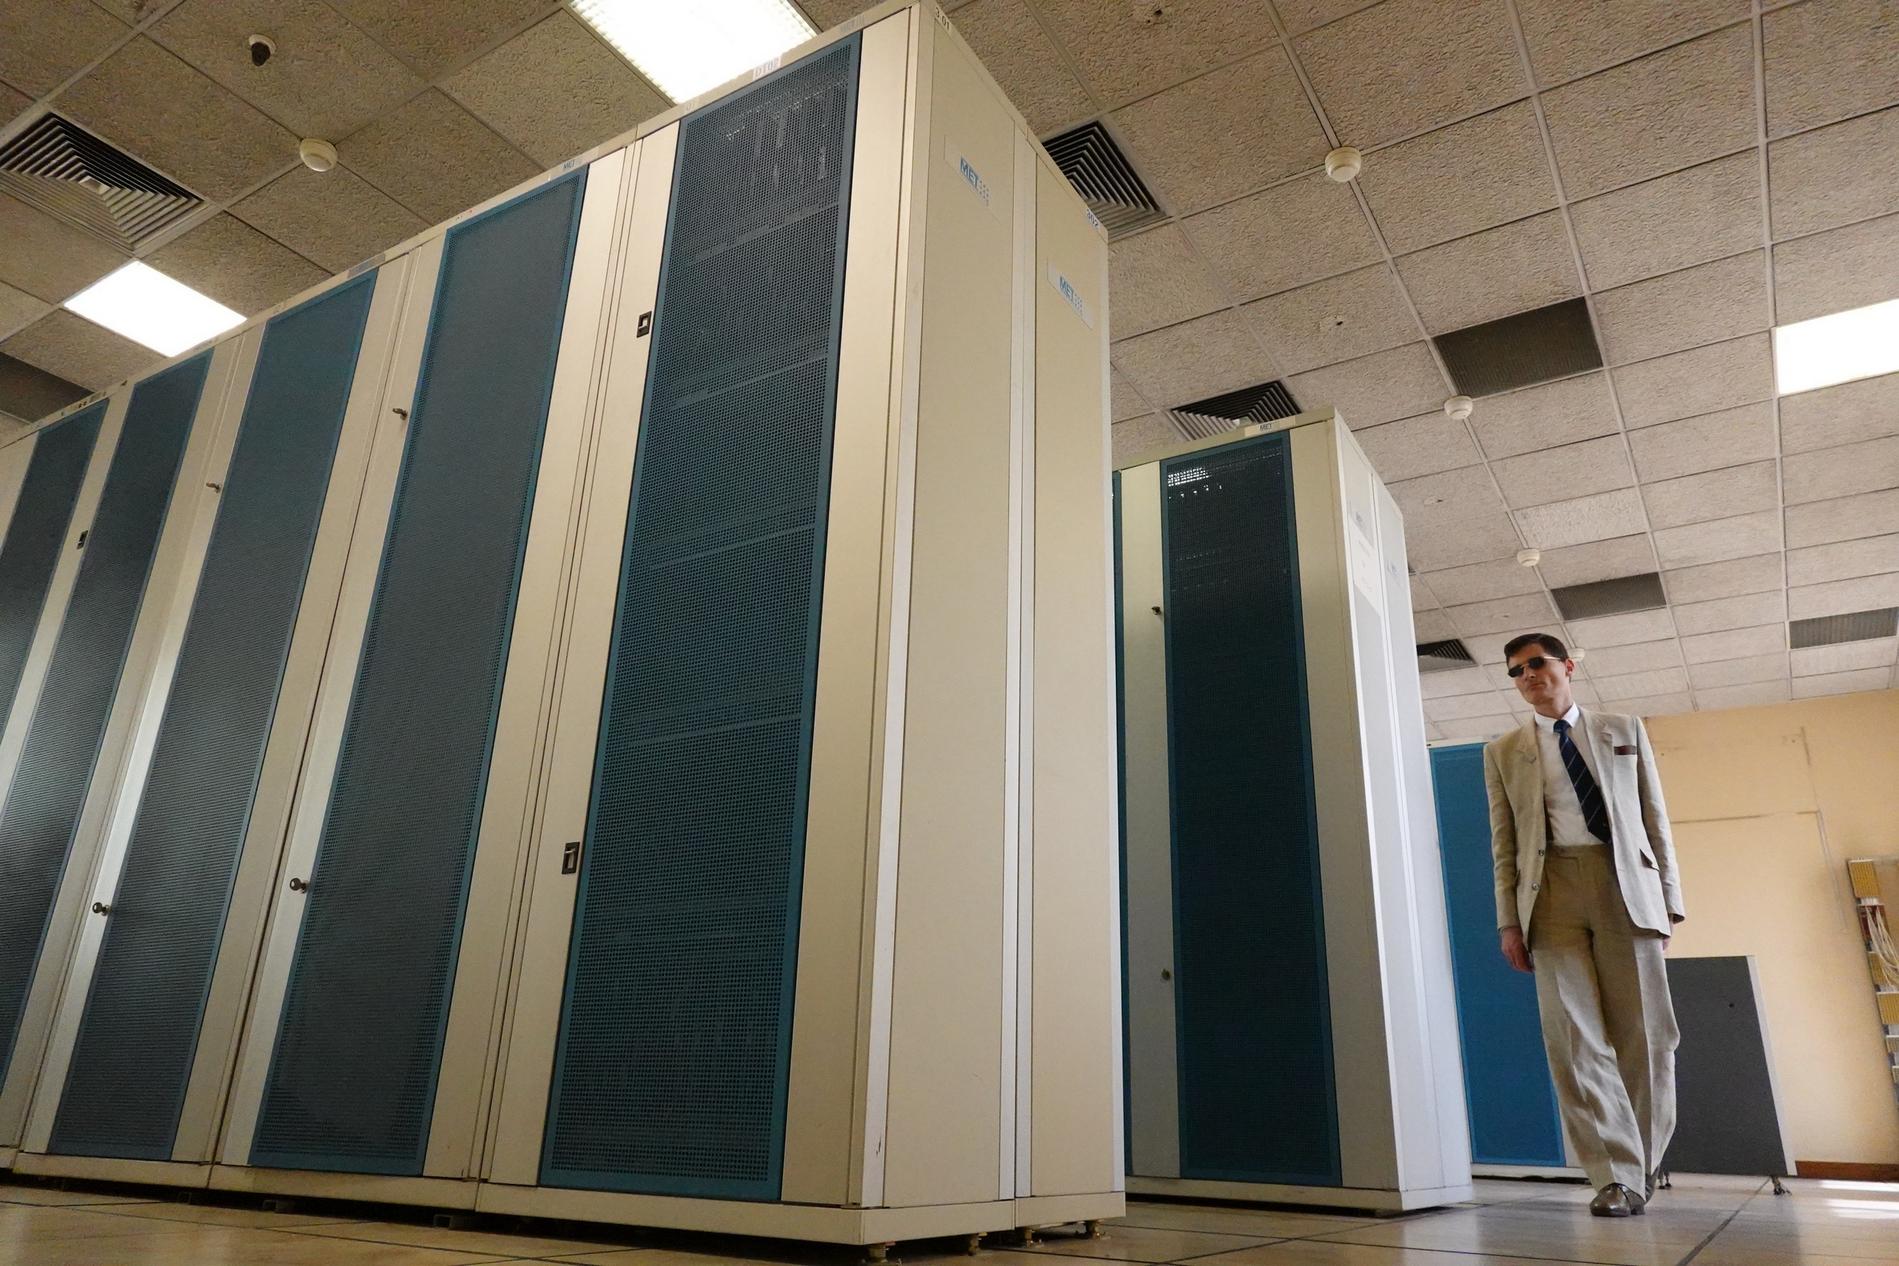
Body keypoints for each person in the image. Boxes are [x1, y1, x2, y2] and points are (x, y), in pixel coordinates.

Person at [1483, 632, 1685, 1218]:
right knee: (1573, 1040)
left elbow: (1653, 816)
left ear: (1567, 666)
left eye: (1536, 663)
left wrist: (1668, 900)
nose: (1527, 676)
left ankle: (1641, 1164)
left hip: (1625, 883)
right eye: (1516, 671)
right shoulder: (1502, 752)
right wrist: (1508, 922)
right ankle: (1613, 1176)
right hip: (1549, 894)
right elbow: (1505, 844)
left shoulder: (1623, 729)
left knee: (1645, 1034)